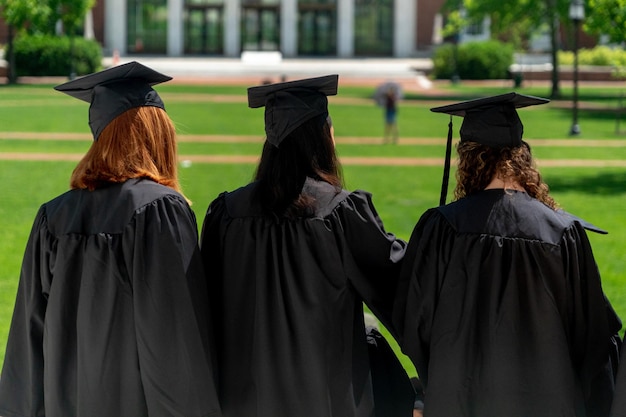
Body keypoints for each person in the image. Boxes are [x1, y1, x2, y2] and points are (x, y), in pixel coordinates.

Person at [0, 62, 221, 417]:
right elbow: (174, 341)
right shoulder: (159, 211)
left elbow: (28, 339)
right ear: (157, 136)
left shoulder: (54, 217)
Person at [393, 92, 622, 417]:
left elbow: (413, 324)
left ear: (468, 157)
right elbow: (595, 339)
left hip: (460, 399)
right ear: (522, 154)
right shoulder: (562, 233)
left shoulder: (442, 228)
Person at [200, 74, 413, 417]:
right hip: (325, 400)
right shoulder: (341, 213)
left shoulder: (226, 214)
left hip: (241, 401)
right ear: (323, 137)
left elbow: (206, 305)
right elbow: (400, 288)